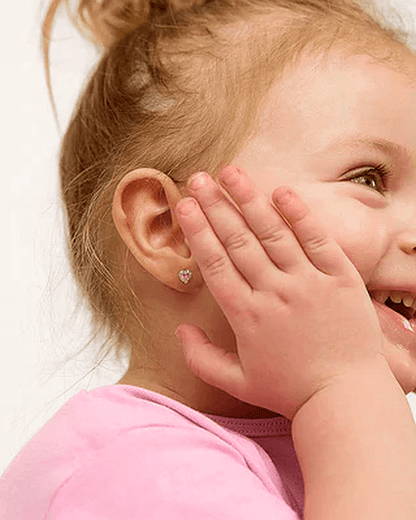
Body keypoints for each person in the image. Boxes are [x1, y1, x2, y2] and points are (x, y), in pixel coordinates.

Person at [2, 0, 416, 517]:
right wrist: (348, 389)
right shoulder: (133, 472)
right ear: (170, 229)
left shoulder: (344, 450)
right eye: (368, 178)